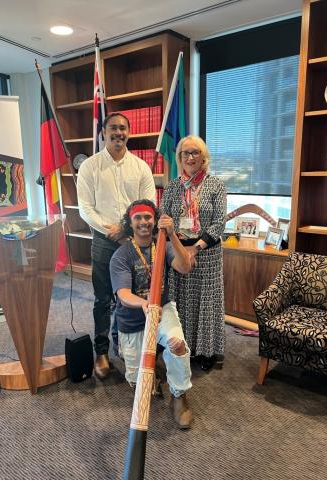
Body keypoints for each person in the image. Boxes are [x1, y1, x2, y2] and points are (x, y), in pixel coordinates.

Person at [77, 113, 156, 379]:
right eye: (113, 128)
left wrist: (127, 230)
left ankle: (124, 344)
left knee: (130, 297)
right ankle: (101, 352)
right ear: (103, 132)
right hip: (103, 241)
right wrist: (111, 231)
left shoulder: (141, 167)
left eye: (123, 128)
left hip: (135, 242)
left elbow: (149, 202)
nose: (118, 132)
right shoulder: (90, 166)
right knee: (103, 299)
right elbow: (85, 209)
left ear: (129, 133)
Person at [109, 199, 194, 429]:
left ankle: (179, 397)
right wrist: (144, 304)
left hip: (162, 308)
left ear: (154, 221)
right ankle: (148, 368)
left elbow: (185, 266)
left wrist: (173, 234)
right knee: (140, 383)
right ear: (131, 222)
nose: (144, 222)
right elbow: (123, 293)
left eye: (148, 217)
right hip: (132, 317)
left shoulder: (163, 244)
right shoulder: (121, 255)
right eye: (138, 218)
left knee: (177, 345)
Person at [161, 135, 227, 371]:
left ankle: (206, 352)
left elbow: (219, 223)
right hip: (178, 252)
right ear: (179, 158)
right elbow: (165, 217)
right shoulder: (172, 186)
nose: (190, 157)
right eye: (185, 153)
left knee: (205, 302)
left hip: (206, 253)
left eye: (195, 153)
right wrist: (178, 246)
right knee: (181, 300)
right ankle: (182, 345)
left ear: (203, 157)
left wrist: (196, 247)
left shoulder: (215, 185)